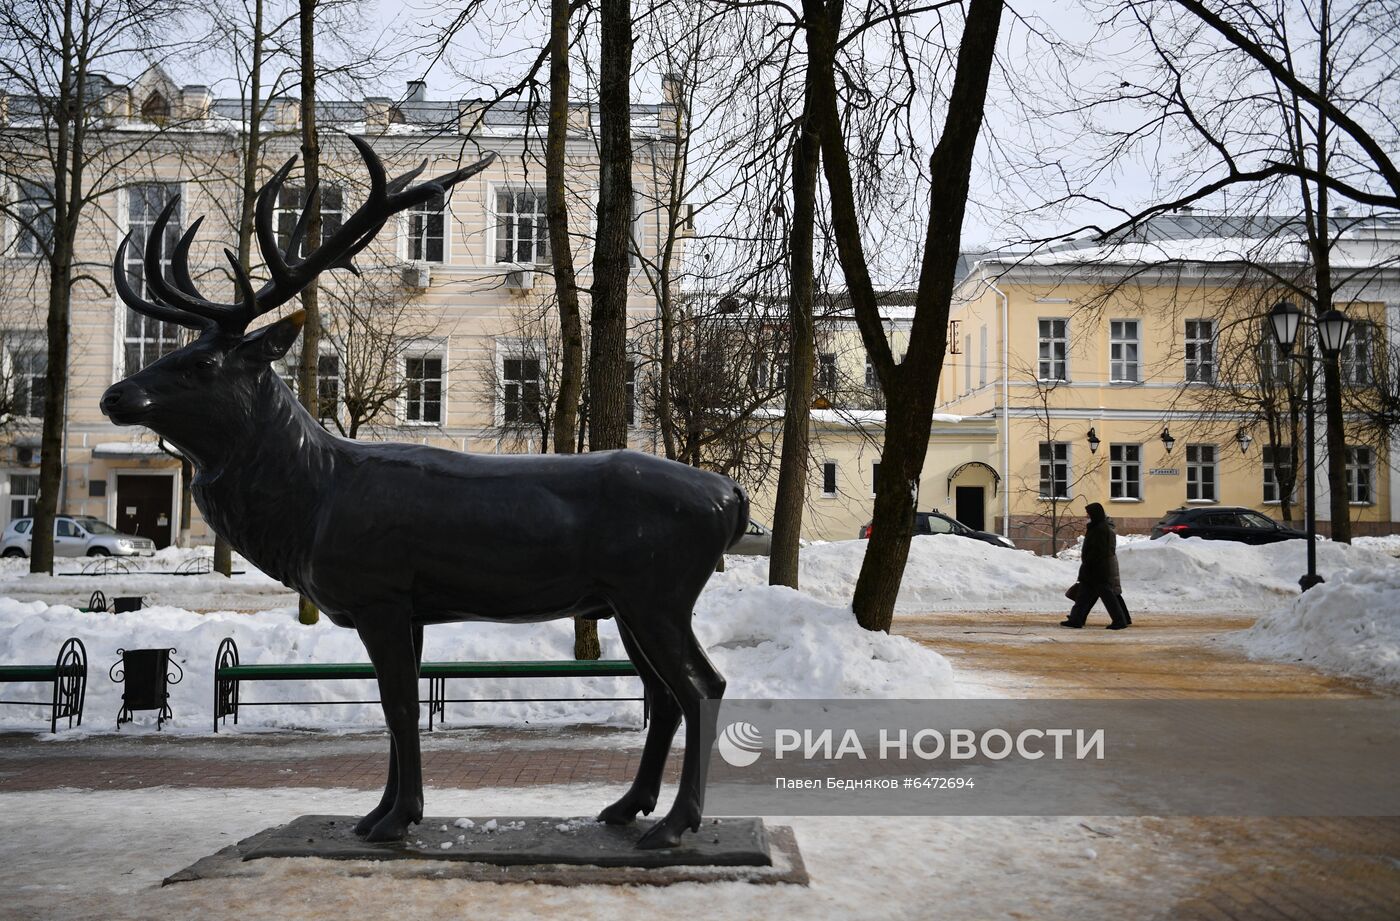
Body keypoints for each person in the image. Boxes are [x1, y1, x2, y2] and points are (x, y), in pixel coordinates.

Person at [1061, 502, 1131, 630]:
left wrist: (1089, 564)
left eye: (1088, 514)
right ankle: (1076, 619)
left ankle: (1119, 620)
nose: (1086, 516)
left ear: (1095, 514)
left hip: (1097, 569)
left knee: (1107, 596)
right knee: (1083, 596)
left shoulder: (1100, 529)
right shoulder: (1096, 527)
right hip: (1093, 568)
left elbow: (1099, 551)